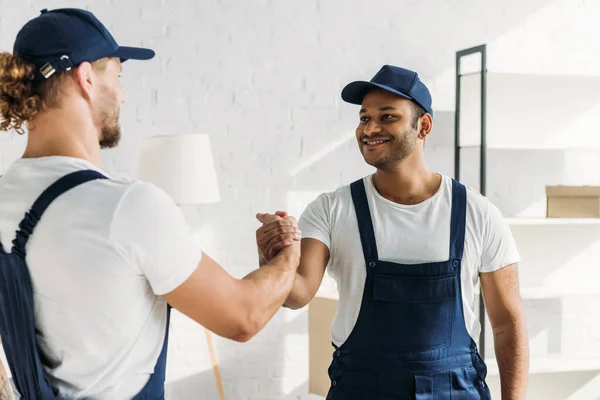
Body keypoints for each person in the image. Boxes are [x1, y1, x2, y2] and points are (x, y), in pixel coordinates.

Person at [0, 8, 301, 399]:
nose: (122, 94)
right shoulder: (127, 206)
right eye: (118, 76)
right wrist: (289, 256)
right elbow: (243, 317)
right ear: (87, 78)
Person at [256, 65, 529, 399]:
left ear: (423, 126)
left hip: (455, 391)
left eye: (387, 117)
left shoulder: (478, 213)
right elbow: (297, 295)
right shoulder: (331, 208)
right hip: (361, 388)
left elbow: (507, 324)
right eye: (364, 117)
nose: (370, 128)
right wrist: (273, 257)